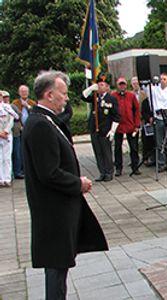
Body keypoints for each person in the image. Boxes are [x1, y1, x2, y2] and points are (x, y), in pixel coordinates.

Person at [22, 71, 108, 299]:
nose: (67, 98)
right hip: (53, 211)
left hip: (57, 210)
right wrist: (78, 183)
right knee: (56, 269)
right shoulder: (40, 124)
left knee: (59, 268)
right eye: (63, 94)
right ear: (49, 95)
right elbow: (48, 173)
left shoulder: (45, 119)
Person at [82, 73, 120, 182]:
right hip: (94, 129)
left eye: (102, 85)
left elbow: (116, 116)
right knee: (98, 152)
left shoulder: (111, 99)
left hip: (105, 130)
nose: (99, 86)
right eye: (98, 85)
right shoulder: (94, 97)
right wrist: (90, 88)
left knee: (106, 152)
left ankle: (109, 172)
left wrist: (112, 131)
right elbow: (83, 96)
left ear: (107, 87)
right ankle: (102, 172)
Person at [111, 77, 141, 176]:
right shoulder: (113, 96)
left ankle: (135, 166)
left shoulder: (131, 96)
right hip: (118, 126)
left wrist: (137, 125)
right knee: (117, 148)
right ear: (117, 85)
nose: (122, 86)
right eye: (120, 84)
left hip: (130, 125)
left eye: (123, 84)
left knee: (134, 147)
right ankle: (118, 167)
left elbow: (136, 111)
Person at [12, 85, 36, 178]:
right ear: (19, 93)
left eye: (25, 91)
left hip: (30, 130)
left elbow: (36, 114)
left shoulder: (32, 103)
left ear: (28, 92)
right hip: (19, 130)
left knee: (30, 150)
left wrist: (28, 107)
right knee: (19, 151)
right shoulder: (15, 103)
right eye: (22, 91)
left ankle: (29, 169)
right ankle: (19, 171)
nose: (24, 93)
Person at [0, 91, 19, 187]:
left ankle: (7, 178)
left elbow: (14, 117)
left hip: (7, 135)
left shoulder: (7, 107)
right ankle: (1, 179)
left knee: (7, 158)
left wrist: (6, 131)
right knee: (0, 158)